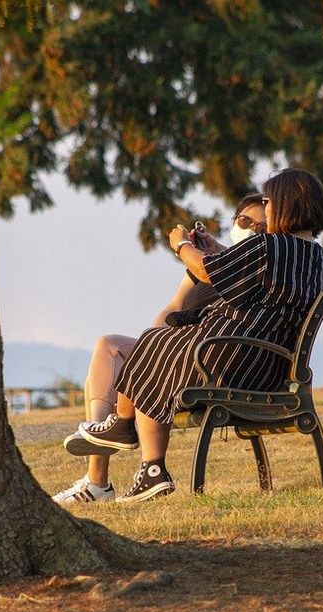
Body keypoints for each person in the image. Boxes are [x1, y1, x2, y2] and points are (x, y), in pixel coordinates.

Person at [78, 167, 323, 502]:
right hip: (267, 365)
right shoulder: (316, 257)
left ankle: (138, 445)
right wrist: (216, 251)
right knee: (157, 342)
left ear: (286, 204)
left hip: (228, 356)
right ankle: (140, 455)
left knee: (153, 341)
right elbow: (249, 278)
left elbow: (205, 271)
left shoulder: (270, 246)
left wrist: (182, 245)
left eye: (269, 202)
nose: (266, 210)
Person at [51, 194, 270, 504]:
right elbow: (175, 306)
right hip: (180, 349)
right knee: (108, 347)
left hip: (203, 359)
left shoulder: (256, 266)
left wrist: (186, 247)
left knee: (117, 367)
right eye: (245, 221)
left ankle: (100, 473)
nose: (251, 229)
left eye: (261, 227)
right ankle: (101, 449)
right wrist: (148, 343)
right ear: (233, 222)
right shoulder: (213, 263)